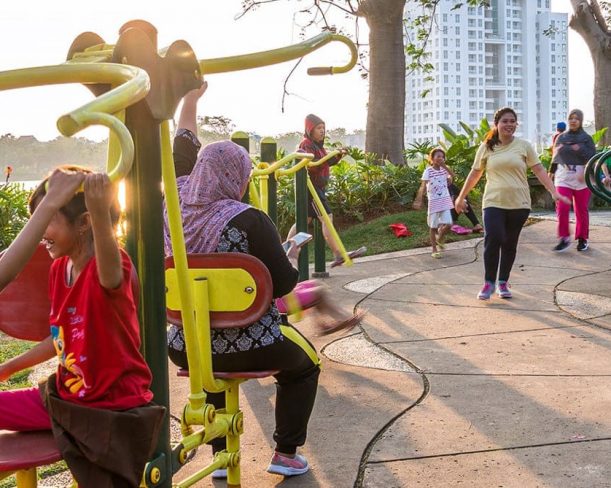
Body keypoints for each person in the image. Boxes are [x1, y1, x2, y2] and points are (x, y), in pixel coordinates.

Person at [165, 85, 320, 478]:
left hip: (186, 346)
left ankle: (219, 450)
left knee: (209, 343)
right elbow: (283, 285)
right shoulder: (249, 218)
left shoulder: (172, 201)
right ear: (238, 175)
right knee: (305, 365)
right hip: (254, 347)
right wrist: (290, 253)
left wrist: (191, 101)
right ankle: (285, 453)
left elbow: (180, 148)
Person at [0, 166, 163, 486]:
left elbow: (111, 270)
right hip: (64, 399)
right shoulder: (59, 268)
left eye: (48, 221)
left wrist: (101, 211)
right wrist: (8, 366)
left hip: (110, 409)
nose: (41, 232)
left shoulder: (112, 269)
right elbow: (62, 338)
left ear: (86, 222)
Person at [454, 107, 570, 300]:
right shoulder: (487, 147)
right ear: (497, 124)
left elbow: (540, 170)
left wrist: (554, 192)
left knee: (509, 243)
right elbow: (475, 174)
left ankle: (503, 282)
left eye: (512, 121)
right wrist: (461, 197)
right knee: (494, 237)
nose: (509, 124)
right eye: (505, 121)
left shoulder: (524, 146)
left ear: (516, 124)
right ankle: (488, 282)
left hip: (519, 203)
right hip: (493, 201)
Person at [286, 113, 366, 268]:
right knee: (327, 217)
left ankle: (286, 249)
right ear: (310, 130)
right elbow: (313, 165)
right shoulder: (306, 144)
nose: (322, 131)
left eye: (323, 128)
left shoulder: (318, 146)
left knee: (305, 220)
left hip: (317, 188)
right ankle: (338, 254)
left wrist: (337, 156)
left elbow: (325, 162)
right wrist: (332, 157)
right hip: (311, 188)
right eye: (318, 128)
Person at [551, 109, 596, 253]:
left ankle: (582, 238)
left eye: (576, 118)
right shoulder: (561, 137)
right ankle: (564, 238)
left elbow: (592, 157)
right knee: (562, 207)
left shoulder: (586, 138)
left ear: (581, 121)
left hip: (582, 178)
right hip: (563, 177)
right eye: (571, 118)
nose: (573, 121)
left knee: (581, 209)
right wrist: (550, 174)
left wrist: (579, 150)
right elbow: (555, 156)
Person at [413, 148, 454, 258]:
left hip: (445, 201)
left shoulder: (445, 169)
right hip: (434, 202)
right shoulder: (428, 171)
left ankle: (439, 237)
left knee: (449, 223)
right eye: (438, 156)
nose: (440, 158)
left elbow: (452, 176)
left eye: (442, 156)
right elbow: (423, 186)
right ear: (432, 159)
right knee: (433, 226)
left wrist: (445, 168)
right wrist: (419, 199)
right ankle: (434, 249)